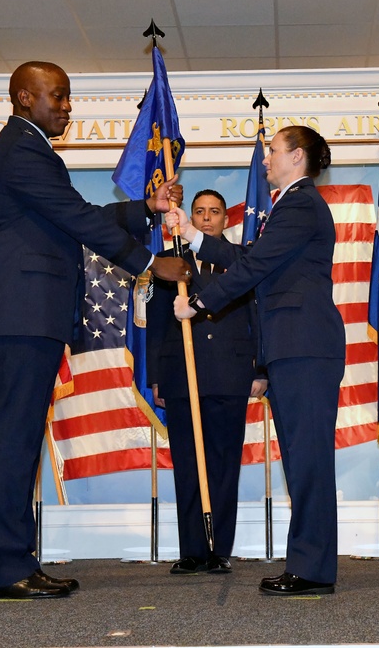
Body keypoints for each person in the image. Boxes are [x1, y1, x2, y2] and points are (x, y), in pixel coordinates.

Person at [0, 61, 190, 600]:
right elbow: (76, 217)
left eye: (68, 97)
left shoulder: (29, 150)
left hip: (25, 317)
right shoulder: (22, 150)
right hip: (18, 316)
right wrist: (150, 265)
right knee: (12, 444)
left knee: (15, 443)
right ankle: (4, 569)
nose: (66, 106)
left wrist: (145, 210)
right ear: (22, 97)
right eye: (57, 97)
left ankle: (11, 563)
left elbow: (70, 216)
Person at [164, 125, 345, 596]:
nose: (265, 159)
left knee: (308, 462)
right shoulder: (292, 205)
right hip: (292, 349)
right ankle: (309, 564)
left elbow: (253, 268)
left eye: (272, 151)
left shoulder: (301, 203)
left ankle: (312, 569)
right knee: (303, 461)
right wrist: (193, 236)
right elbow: (251, 256)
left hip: (304, 348)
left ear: (297, 157)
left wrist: (199, 305)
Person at [147, 189, 267, 576]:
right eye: (199, 211)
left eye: (214, 211)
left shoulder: (241, 261)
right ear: (189, 218)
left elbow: (257, 316)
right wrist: (157, 376)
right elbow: (157, 324)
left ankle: (219, 549)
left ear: (226, 219)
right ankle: (192, 550)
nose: (207, 217)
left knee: (223, 463)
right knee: (187, 463)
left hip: (230, 374)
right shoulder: (171, 265)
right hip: (183, 375)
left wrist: (260, 369)